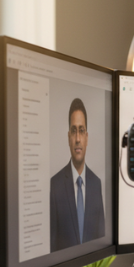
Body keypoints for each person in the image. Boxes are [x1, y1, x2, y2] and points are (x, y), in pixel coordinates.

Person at [50, 98, 105, 252]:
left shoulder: (96, 184)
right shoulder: (55, 185)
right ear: (69, 137)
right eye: (74, 131)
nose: (78, 139)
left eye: (81, 130)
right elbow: (52, 245)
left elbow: (102, 241)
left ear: (87, 137)